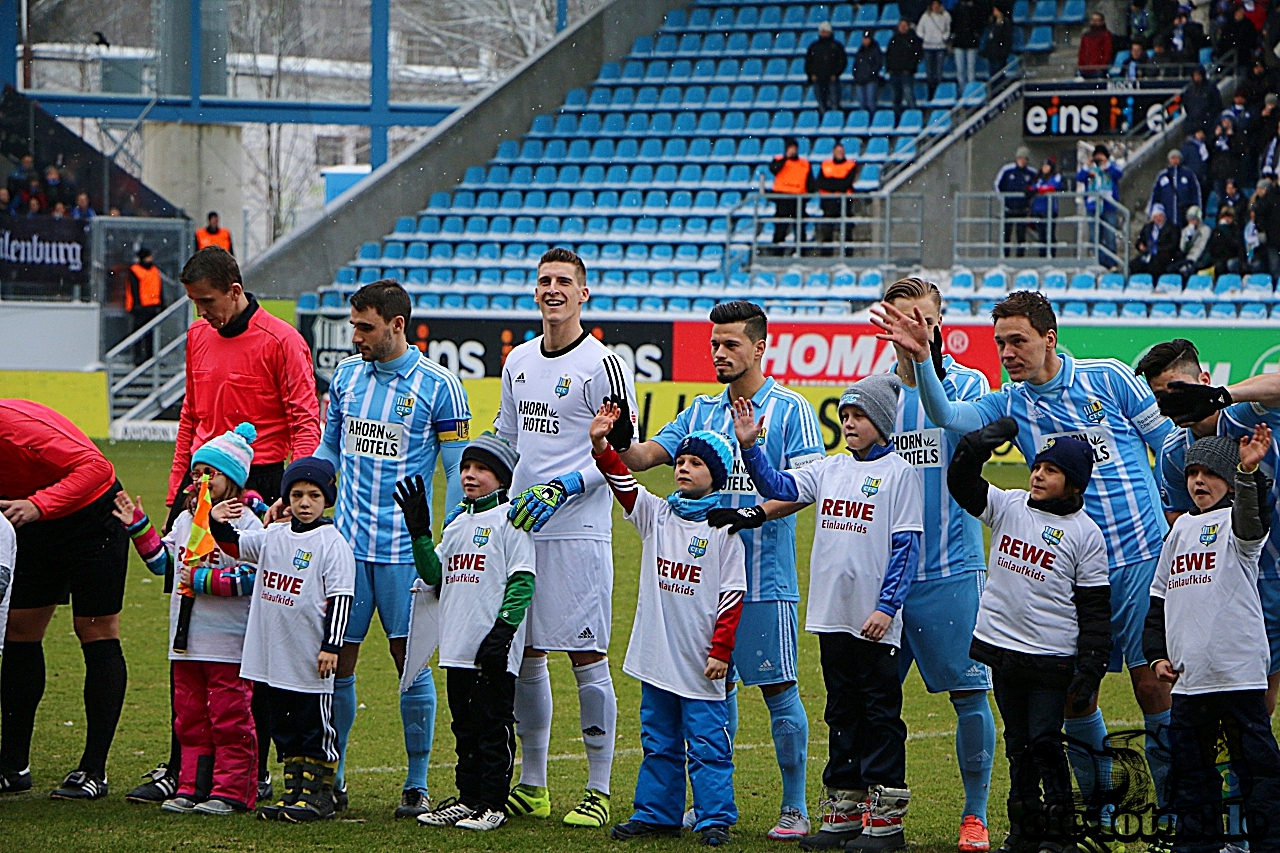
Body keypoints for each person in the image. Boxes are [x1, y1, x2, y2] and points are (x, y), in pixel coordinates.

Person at [871, 291, 1179, 831]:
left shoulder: (1108, 378)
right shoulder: (1012, 401)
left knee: (1153, 685)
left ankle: (1180, 810)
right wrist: (923, 360)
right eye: (999, 344)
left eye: (1018, 341)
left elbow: (1168, 444)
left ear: (1049, 338)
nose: (1008, 352)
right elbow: (949, 415)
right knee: (1073, 699)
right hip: (1070, 574)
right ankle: (1101, 810)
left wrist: (1179, 514)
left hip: (1139, 558)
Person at [617, 300, 824, 841]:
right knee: (713, 693)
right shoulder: (700, 409)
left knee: (778, 688)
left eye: (731, 344)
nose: (719, 353)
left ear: (759, 346)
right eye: (714, 344)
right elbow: (642, 458)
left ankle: (795, 806)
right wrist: (617, 434)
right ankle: (711, 804)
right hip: (697, 589)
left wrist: (748, 514)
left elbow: (806, 488)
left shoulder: (792, 410)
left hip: (763, 578)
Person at [145, 247, 319, 804]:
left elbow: (302, 421)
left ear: (236, 289)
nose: (202, 315)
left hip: (261, 487)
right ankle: (184, 768)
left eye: (208, 302)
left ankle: (253, 768)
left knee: (252, 634)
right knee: (188, 629)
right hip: (202, 483)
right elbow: (191, 418)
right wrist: (178, 493)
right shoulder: (199, 338)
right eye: (195, 304)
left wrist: (290, 497)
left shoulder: (281, 340)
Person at [732, 374, 921, 852]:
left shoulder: (900, 473)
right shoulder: (830, 468)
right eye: (845, 415)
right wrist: (751, 449)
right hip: (830, 617)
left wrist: (886, 607)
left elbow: (906, 547)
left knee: (880, 713)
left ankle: (886, 820)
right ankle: (844, 808)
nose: (849, 423)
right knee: (841, 710)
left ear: (880, 422)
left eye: (858, 416)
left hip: (873, 621)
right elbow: (778, 485)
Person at [306, 279, 470, 818]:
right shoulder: (348, 377)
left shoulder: (439, 385)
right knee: (337, 663)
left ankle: (417, 782)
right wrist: (304, 488)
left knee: (411, 665)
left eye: (365, 327)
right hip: (346, 553)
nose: (355, 336)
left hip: (405, 554)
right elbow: (330, 445)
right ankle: (337, 774)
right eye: (353, 325)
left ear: (396, 326)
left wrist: (443, 542)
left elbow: (454, 468)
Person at [494, 247, 638, 829]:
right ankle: (534, 783)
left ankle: (598, 788)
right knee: (526, 653)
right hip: (524, 529)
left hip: (579, 530)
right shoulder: (518, 360)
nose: (552, 290)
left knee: (585, 653)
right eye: (544, 281)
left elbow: (622, 448)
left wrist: (564, 487)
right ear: (535, 292)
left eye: (564, 282)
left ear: (583, 294)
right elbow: (508, 438)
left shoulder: (604, 364)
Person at [947, 423, 1112, 853]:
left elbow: (1095, 609)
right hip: (1004, 655)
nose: (1037, 475)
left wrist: (1091, 667)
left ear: (1073, 483)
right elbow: (961, 484)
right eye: (1036, 466)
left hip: (1051, 661)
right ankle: (1024, 830)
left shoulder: (1086, 534)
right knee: (1018, 746)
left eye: (1051, 470)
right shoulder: (1009, 505)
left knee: (1044, 743)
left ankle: (1061, 833)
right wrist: (974, 447)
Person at [593, 409, 745, 847]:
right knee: (657, 739)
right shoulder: (657, 514)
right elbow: (621, 482)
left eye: (695, 463)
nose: (683, 467)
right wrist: (602, 446)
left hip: (701, 662)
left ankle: (715, 817)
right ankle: (657, 813)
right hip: (656, 656)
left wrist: (720, 650)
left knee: (707, 745)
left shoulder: (725, 529)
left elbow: (732, 598)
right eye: (680, 460)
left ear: (716, 475)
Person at [881, 279, 997, 853]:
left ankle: (974, 814)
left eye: (921, 318)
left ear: (937, 321)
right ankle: (879, 812)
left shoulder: (970, 383)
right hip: (886, 574)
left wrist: (926, 360)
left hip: (951, 567)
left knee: (969, 694)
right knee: (875, 697)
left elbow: (954, 422)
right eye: (900, 318)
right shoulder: (873, 396)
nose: (910, 328)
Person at [114, 423, 263, 815]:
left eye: (209, 473)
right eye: (196, 472)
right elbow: (164, 564)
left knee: (230, 718)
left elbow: (255, 578)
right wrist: (139, 527)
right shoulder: (184, 522)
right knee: (191, 718)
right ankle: (192, 786)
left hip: (228, 643)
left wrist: (203, 580)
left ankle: (233, 791)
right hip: (186, 643)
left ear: (232, 478)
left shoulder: (246, 523)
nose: (200, 479)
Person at [1144, 431, 1280, 842]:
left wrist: (1247, 474)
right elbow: (1158, 601)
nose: (1198, 481)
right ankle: (1195, 844)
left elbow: (1254, 515)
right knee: (1192, 778)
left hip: (1238, 677)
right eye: (1192, 473)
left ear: (1227, 478)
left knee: (1258, 773)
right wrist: (1156, 654)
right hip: (1190, 681)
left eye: (1209, 473)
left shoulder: (1239, 526)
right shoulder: (1179, 530)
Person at [1136, 340, 1280, 713]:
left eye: (1179, 391)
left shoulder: (1250, 415)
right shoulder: (1172, 453)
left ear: (1203, 379)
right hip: (1241, 585)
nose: (1172, 403)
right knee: (1252, 697)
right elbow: (1182, 525)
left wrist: (1221, 396)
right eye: (1161, 397)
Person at [209, 457, 354, 823]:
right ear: (286, 498)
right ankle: (294, 792)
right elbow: (232, 544)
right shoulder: (273, 535)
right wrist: (215, 519)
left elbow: (340, 598)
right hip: (273, 657)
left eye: (314, 495)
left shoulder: (332, 543)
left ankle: (320, 795)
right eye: (297, 495)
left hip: (310, 658)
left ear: (327, 499)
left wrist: (331, 646)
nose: (305, 503)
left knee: (313, 727)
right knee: (284, 728)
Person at [404, 434, 535, 832]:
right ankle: (467, 799)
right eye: (465, 468)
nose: (469, 475)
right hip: (457, 648)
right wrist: (420, 533)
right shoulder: (459, 522)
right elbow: (433, 575)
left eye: (481, 469)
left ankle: (493, 803)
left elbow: (523, 580)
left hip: (492, 648)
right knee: (464, 730)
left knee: (493, 728)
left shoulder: (511, 519)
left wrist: (503, 632)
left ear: (501, 477)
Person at [0, 399, 130, 799]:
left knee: (94, 630)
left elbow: (97, 468)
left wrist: (39, 504)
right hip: (31, 520)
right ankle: (13, 765)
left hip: (92, 516)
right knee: (20, 630)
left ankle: (94, 770)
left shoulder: (18, 425)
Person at [1076, 144, 1125, 268]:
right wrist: (1088, 166)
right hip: (1093, 206)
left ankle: (1111, 263)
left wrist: (1106, 165)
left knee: (1110, 235)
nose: (1098, 159)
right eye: (1096, 156)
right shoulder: (1089, 168)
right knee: (1094, 236)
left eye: (1101, 156)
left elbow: (1119, 174)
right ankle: (1100, 262)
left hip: (1109, 206)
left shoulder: (1111, 166)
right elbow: (1080, 177)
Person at [767, 138, 814, 254]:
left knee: (799, 227)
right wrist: (785, 158)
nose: (792, 150)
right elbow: (774, 169)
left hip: (798, 199)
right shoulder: (779, 160)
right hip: (782, 199)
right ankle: (777, 253)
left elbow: (811, 184)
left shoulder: (805, 164)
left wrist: (806, 198)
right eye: (790, 148)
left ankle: (800, 252)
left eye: (794, 148)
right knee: (780, 227)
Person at [995, 148, 1036, 257]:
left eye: (1025, 159)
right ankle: (1005, 256)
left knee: (1021, 236)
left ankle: (1020, 256)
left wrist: (1029, 200)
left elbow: (1036, 188)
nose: (1022, 161)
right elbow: (998, 186)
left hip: (1023, 210)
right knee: (1006, 235)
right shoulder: (1007, 170)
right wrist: (1004, 201)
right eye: (1020, 158)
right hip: (1008, 209)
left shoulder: (1031, 173)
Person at [816, 142, 857, 252]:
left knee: (847, 230)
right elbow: (820, 183)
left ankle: (848, 256)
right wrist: (837, 184)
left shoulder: (850, 165)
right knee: (827, 229)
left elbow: (846, 184)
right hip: (828, 202)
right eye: (838, 151)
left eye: (841, 151)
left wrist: (831, 183)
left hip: (845, 201)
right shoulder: (825, 165)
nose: (840, 153)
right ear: (833, 152)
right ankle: (826, 256)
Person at [126, 247, 164, 365]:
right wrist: (136, 304)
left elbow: (159, 287)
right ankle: (138, 357)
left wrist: (162, 302)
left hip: (152, 305)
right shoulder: (135, 270)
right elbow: (134, 289)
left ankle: (149, 356)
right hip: (140, 307)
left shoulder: (154, 270)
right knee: (138, 333)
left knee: (150, 334)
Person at [1149, 148, 1201, 227]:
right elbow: (1155, 195)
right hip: (1167, 215)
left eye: (1177, 158)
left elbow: (1195, 192)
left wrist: (1197, 209)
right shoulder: (1162, 175)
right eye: (1173, 158)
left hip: (1184, 213)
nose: (1175, 160)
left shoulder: (1188, 174)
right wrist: (1153, 212)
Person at [806, 22, 847, 116]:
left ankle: (835, 119)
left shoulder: (836, 46)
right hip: (818, 79)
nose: (824, 33)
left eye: (825, 31)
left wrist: (836, 74)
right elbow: (808, 62)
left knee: (834, 101)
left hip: (832, 79)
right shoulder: (814, 47)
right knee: (821, 102)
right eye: (822, 31)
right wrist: (811, 74)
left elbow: (842, 61)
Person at [886, 19, 923, 114]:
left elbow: (918, 56)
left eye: (904, 25)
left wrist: (910, 68)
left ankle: (915, 116)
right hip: (894, 73)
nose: (902, 27)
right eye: (900, 25)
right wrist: (889, 68)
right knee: (895, 99)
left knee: (909, 96)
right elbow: (888, 55)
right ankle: (897, 120)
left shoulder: (913, 40)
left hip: (906, 73)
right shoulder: (893, 39)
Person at [1132, 204, 1179, 276]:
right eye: (1155, 216)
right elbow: (1140, 241)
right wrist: (1140, 245)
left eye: (1160, 216)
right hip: (1148, 254)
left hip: (1165, 256)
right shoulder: (1147, 228)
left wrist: (1157, 249)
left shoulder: (1172, 228)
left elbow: (1173, 245)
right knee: (1134, 265)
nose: (1158, 219)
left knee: (1155, 265)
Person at [917, 0, 951, 99]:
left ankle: (938, 94)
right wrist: (925, 37)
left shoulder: (946, 16)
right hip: (928, 47)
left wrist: (943, 37)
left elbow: (947, 29)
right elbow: (919, 30)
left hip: (940, 47)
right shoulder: (925, 16)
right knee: (930, 73)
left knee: (939, 72)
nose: (935, 7)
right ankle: (931, 94)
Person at [1209, 115, 1245, 205]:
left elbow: (1239, 151)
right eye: (1224, 120)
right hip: (1218, 174)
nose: (1226, 123)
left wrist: (1231, 137)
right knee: (1220, 199)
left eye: (1228, 121)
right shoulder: (1215, 135)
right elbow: (1209, 150)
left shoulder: (1237, 134)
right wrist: (1215, 136)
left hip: (1232, 172)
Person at [1029, 158, 1061, 257]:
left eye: (1047, 166)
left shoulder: (1055, 176)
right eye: (1043, 166)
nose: (1045, 168)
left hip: (1049, 209)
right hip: (1038, 209)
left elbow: (1052, 187)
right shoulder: (1038, 178)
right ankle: (1042, 255)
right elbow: (1031, 188)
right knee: (1041, 235)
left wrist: (1038, 190)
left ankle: (1051, 255)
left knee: (1050, 234)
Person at [951, 0, 985, 89]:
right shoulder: (956, 8)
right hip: (959, 42)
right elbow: (953, 24)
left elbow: (981, 23)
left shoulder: (977, 8)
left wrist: (977, 34)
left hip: (972, 42)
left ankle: (970, 91)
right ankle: (962, 92)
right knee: (960, 70)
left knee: (971, 70)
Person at [1170, 205, 1211, 277]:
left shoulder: (1205, 229)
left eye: (1194, 219)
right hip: (1186, 258)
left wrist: (1192, 259)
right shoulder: (1185, 231)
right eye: (1190, 219)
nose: (1192, 221)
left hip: (1198, 258)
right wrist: (1188, 236)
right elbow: (1183, 248)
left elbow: (1201, 247)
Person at [1206, 205, 1247, 275]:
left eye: (1229, 217)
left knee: (1229, 264)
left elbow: (1237, 246)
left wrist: (1225, 231)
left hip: (1233, 257)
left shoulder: (1236, 230)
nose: (1226, 219)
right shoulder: (1216, 231)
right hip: (1219, 259)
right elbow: (1211, 246)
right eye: (1224, 217)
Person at [1181, 66, 1222, 136]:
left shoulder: (1211, 88)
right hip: (1193, 124)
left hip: (1208, 124)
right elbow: (1186, 105)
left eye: (1198, 75)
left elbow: (1217, 105)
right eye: (1195, 75)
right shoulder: (1189, 90)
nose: (1197, 77)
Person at [1215, 3, 1258, 68]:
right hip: (1228, 55)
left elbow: (1251, 40)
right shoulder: (1228, 25)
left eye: (1242, 11)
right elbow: (1223, 41)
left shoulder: (1248, 24)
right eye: (1239, 11)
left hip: (1243, 56)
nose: (1241, 13)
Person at [853, 31, 884, 113]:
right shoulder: (860, 51)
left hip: (871, 80)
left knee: (871, 102)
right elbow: (856, 65)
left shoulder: (875, 50)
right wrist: (856, 75)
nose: (865, 41)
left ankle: (872, 120)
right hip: (860, 80)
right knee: (862, 103)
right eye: (864, 39)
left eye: (867, 39)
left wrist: (871, 74)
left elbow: (878, 64)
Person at [1078, 13, 1114, 78]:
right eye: (1093, 20)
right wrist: (1080, 66)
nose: (1094, 22)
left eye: (1097, 20)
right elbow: (1081, 52)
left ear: (1102, 22)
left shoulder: (1106, 35)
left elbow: (1107, 53)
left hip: (1098, 70)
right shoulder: (1085, 36)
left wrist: (1101, 67)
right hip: (1085, 69)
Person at [981, 6, 1013, 77]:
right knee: (992, 73)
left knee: (999, 73)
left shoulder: (1006, 23)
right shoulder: (992, 23)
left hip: (1000, 53)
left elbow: (1006, 39)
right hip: (992, 53)